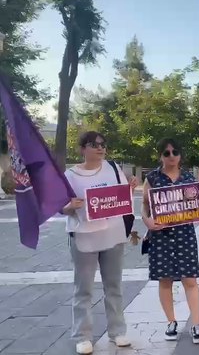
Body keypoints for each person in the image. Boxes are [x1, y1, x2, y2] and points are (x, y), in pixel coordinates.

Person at [61, 131, 136, 355]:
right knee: (83, 289)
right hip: (84, 236)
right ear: (83, 148)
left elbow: (123, 197)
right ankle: (83, 336)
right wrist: (70, 206)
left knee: (113, 286)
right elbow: (61, 207)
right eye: (94, 144)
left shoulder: (113, 168)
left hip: (113, 235)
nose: (101, 148)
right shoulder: (70, 175)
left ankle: (117, 331)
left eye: (103, 144)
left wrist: (130, 187)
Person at [141, 138, 199, 344]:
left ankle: (196, 324)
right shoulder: (152, 178)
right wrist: (148, 221)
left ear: (180, 154)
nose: (171, 156)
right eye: (166, 153)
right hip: (161, 236)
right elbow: (144, 206)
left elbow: (198, 205)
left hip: (185, 234)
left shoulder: (189, 178)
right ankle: (171, 322)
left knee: (190, 280)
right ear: (160, 155)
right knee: (165, 280)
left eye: (175, 152)